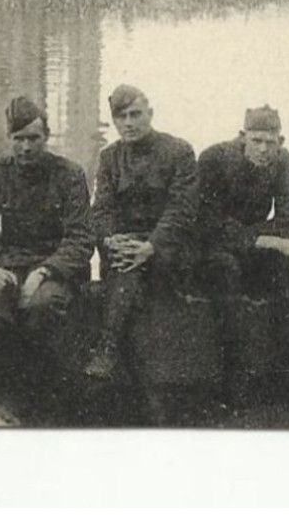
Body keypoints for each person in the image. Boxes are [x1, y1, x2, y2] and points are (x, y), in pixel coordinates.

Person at [0, 96, 94, 410]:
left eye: (33, 138)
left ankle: (39, 396)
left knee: (43, 307)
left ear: (47, 137)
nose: (25, 148)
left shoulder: (70, 175)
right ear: (9, 139)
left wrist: (45, 271)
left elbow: (80, 239)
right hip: (10, 263)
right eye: (18, 139)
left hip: (56, 267)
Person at [85, 84, 199, 381]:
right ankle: (111, 349)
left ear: (151, 114)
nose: (129, 123)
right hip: (124, 246)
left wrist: (150, 246)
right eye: (120, 117)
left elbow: (181, 209)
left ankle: (108, 347)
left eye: (135, 114)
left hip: (166, 246)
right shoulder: (110, 157)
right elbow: (102, 209)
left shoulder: (179, 152)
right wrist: (110, 238)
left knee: (132, 271)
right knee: (123, 263)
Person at [196, 104, 289, 296]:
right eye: (256, 141)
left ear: (280, 142)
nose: (263, 149)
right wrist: (269, 241)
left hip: (251, 240)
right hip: (212, 244)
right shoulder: (213, 158)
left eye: (270, 142)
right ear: (243, 136)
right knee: (226, 267)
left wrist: (260, 240)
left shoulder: (282, 160)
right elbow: (207, 221)